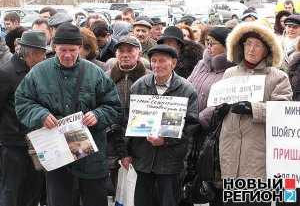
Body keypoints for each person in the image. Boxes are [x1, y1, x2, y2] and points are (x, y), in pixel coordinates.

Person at [15, 23, 122, 206]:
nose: (67, 55)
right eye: (62, 50)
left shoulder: (95, 73)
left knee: (94, 200)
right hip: (57, 155)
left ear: (80, 48)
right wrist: (40, 114)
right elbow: (22, 102)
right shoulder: (39, 72)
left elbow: (113, 105)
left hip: (91, 157)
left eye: (72, 50)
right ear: (54, 47)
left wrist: (98, 115)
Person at [219, 22, 293, 206]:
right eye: (248, 43)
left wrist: (253, 109)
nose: (251, 49)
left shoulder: (277, 77)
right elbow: (219, 103)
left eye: (257, 45)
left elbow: (284, 111)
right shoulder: (229, 73)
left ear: (267, 50)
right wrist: (219, 109)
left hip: (259, 155)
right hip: (230, 152)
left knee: (256, 201)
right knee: (232, 201)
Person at [126, 44, 199, 206]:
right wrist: (125, 152)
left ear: (173, 63)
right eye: (154, 61)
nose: (157, 65)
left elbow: (191, 125)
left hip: (171, 162)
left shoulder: (186, 90)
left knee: (169, 201)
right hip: (143, 159)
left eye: (162, 61)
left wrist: (165, 139)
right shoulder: (139, 86)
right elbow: (127, 120)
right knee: (142, 201)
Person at [187, 27, 235, 206]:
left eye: (213, 43)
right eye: (206, 42)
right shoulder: (201, 64)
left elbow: (225, 101)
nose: (208, 46)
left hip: (212, 131)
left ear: (227, 46)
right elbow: (189, 87)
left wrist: (201, 118)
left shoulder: (232, 70)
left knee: (210, 176)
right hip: (192, 127)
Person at [0, 30, 47, 206]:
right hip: (13, 144)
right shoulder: (6, 73)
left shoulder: (39, 71)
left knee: (33, 188)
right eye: (42, 54)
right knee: (11, 190)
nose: (44, 58)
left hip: (37, 142)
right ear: (30, 53)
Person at [106, 36, 149, 197]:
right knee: (119, 189)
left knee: (140, 189)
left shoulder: (149, 77)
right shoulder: (106, 77)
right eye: (121, 51)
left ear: (139, 53)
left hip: (142, 142)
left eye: (130, 51)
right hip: (112, 140)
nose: (125, 54)